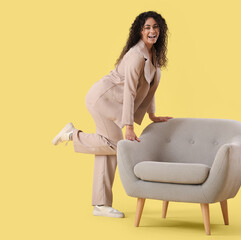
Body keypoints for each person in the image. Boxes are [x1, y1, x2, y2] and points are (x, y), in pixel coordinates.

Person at [52, 11, 173, 218]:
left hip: (115, 102)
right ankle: (73, 135)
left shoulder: (154, 58)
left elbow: (149, 89)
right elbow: (130, 91)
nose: (152, 31)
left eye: (156, 27)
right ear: (140, 31)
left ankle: (101, 204)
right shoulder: (136, 56)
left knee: (108, 146)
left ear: (160, 31)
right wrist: (128, 126)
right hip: (104, 98)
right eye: (147, 28)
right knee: (117, 145)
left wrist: (153, 115)